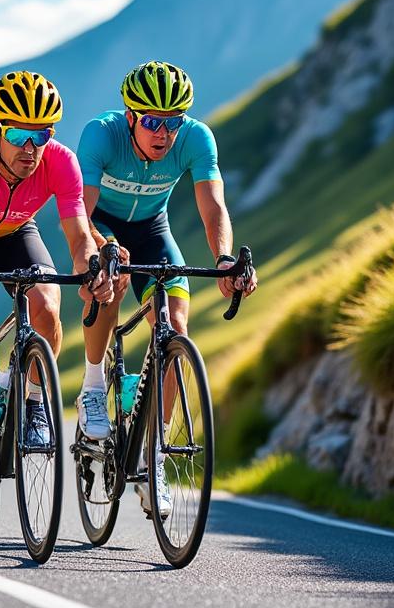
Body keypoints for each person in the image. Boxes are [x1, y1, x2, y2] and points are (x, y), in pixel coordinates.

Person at [76, 60, 258, 516]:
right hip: (102, 227)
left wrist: (224, 260)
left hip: (154, 230)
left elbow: (213, 205)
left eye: (173, 122)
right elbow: (82, 213)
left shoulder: (197, 139)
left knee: (176, 329)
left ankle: (150, 459)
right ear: (131, 116)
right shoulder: (101, 135)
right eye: (153, 122)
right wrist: (102, 250)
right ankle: (94, 386)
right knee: (111, 283)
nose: (163, 133)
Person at [0, 70, 114, 490]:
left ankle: (33, 404)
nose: (30, 149)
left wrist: (93, 269)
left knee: (47, 310)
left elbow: (80, 236)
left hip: (17, 234)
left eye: (41, 135)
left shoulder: (60, 161)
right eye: (17, 136)